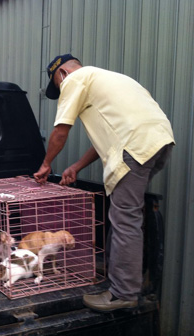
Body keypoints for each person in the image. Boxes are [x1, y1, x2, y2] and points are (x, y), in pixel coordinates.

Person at [35, 54, 175, 312]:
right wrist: (75, 166)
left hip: (134, 147)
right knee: (123, 213)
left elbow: (60, 130)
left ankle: (122, 293)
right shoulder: (111, 78)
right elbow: (108, 138)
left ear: (63, 74)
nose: (61, 88)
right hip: (158, 142)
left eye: (57, 83)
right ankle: (118, 277)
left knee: (125, 218)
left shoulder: (74, 80)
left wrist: (46, 164)